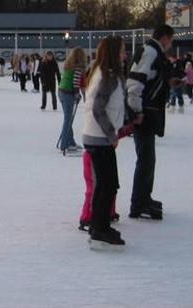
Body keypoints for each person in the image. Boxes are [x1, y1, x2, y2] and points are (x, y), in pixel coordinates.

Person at [82, 36, 130, 250]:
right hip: (99, 138)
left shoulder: (104, 73)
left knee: (107, 184)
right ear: (113, 52)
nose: (125, 54)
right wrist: (112, 134)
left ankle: (98, 225)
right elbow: (98, 109)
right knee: (107, 185)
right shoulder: (108, 76)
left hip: (98, 137)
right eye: (122, 50)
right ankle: (99, 229)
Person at [126, 24, 175, 220]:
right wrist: (136, 110)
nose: (171, 44)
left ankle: (143, 198)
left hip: (148, 110)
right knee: (145, 159)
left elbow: (147, 79)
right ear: (164, 37)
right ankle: (138, 203)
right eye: (171, 40)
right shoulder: (150, 52)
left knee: (148, 159)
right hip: (144, 112)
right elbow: (135, 82)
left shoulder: (153, 52)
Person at [57, 47, 87, 155]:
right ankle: (65, 144)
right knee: (68, 119)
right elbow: (75, 81)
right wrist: (76, 93)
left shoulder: (69, 65)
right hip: (67, 93)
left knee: (69, 118)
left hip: (62, 91)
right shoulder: (78, 67)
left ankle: (70, 142)